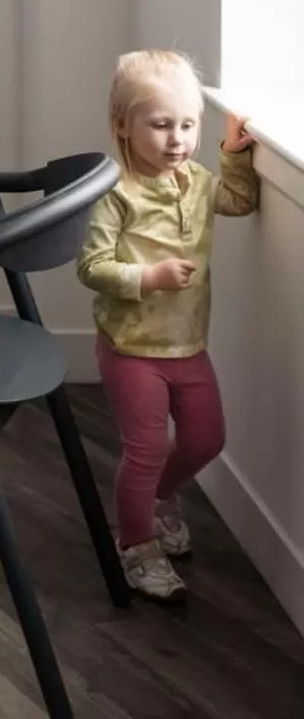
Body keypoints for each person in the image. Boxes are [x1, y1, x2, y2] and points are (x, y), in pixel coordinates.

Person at [76, 49, 259, 602]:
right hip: (131, 348)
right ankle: (137, 547)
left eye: (187, 124)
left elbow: (238, 199)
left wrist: (232, 153)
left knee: (207, 438)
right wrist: (148, 276)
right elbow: (90, 267)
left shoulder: (196, 182)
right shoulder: (115, 193)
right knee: (147, 446)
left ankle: (156, 499)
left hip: (188, 344)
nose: (176, 139)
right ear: (123, 127)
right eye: (160, 125)